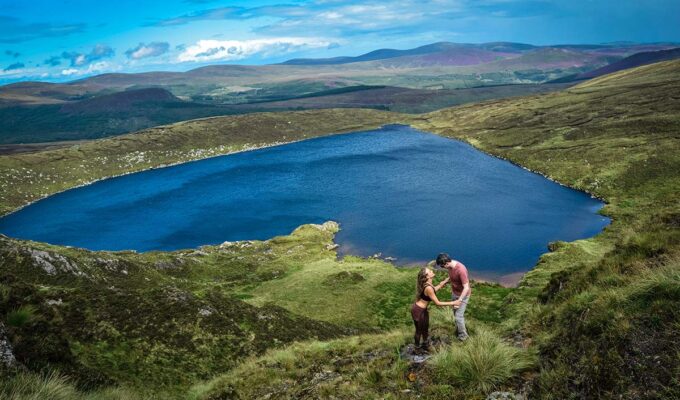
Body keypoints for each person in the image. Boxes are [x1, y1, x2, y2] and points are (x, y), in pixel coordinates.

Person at [411, 267, 456, 352]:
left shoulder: (428, 284)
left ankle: (425, 345)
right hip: (418, 311)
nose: (432, 271)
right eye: (430, 271)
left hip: (422, 310)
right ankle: (416, 348)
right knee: (419, 331)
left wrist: (444, 282)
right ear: (427, 276)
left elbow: (434, 289)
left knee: (425, 328)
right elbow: (438, 303)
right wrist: (454, 303)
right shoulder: (428, 288)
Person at [436, 252, 471, 341]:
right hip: (455, 293)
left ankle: (463, 337)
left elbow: (466, 287)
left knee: (458, 316)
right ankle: (459, 329)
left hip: (463, 295)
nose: (442, 268)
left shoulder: (461, 269)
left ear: (446, 263)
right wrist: (445, 281)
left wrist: (459, 300)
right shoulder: (450, 266)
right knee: (455, 314)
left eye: (442, 266)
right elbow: (451, 275)